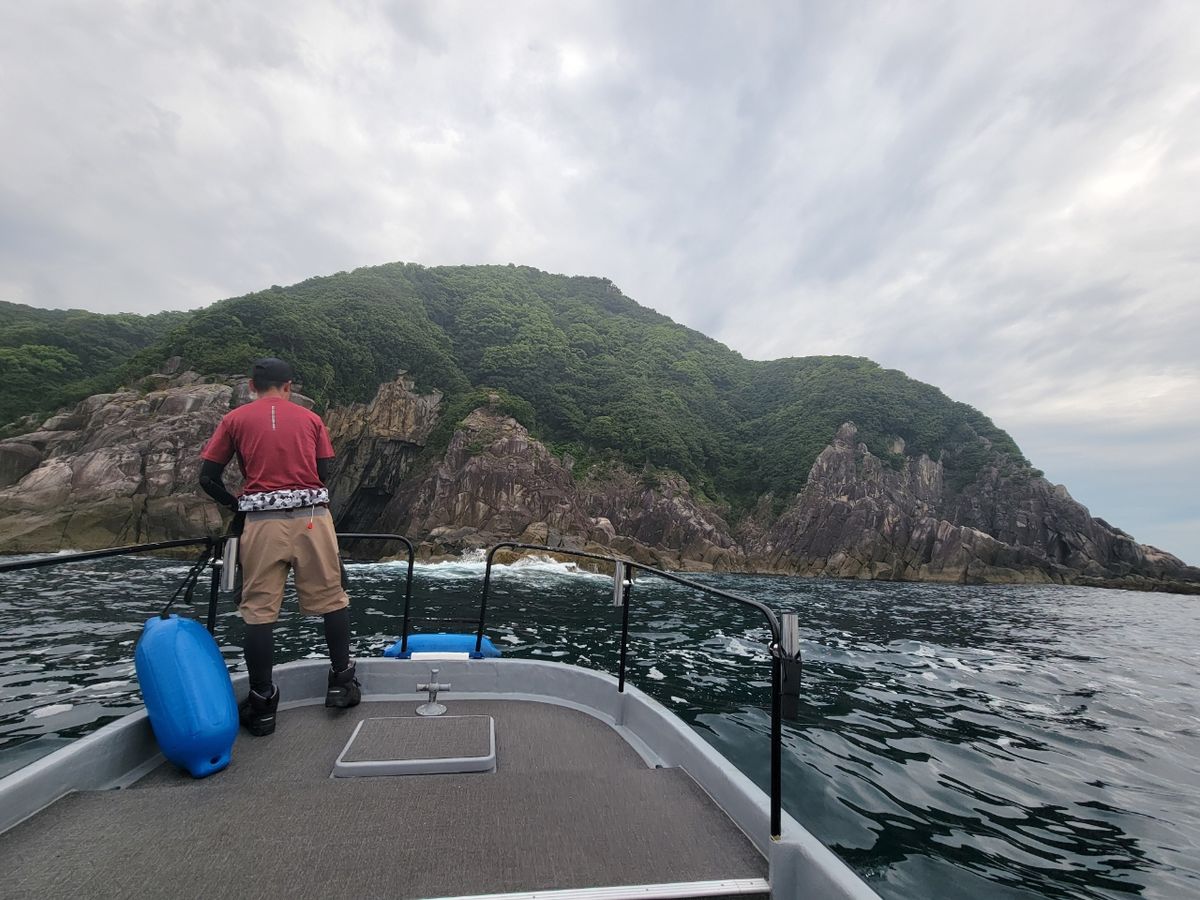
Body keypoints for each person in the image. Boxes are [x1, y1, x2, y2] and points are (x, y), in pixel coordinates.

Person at [198, 357, 360, 736]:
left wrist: (237, 503)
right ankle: (341, 684)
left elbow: (208, 477)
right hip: (312, 519)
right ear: (289, 385)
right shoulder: (311, 420)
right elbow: (324, 471)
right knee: (333, 600)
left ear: (252, 386)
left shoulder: (234, 420)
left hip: (261, 524)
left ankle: (263, 703)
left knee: (258, 613)